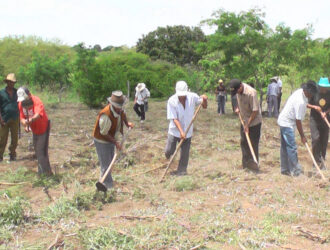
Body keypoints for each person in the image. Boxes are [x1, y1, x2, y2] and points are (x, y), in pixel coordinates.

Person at [165, 81, 207, 175]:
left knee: (185, 153)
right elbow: (174, 118)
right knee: (169, 150)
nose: (182, 97)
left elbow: (204, 106)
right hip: (174, 131)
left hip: (188, 131)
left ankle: (182, 171)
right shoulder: (171, 101)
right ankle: (167, 156)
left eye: (183, 95)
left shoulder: (193, 97)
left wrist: (204, 99)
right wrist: (181, 131)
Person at [93, 91, 133, 189]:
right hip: (102, 140)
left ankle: (104, 182)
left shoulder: (120, 110)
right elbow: (103, 133)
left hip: (111, 139)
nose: (120, 108)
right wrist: (115, 142)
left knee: (109, 162)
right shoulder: (105, 115)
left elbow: (123, 115)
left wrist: (127, 124)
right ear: (112, 104)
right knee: (106, 164)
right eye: (118, 106)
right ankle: (107, 186)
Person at [277, 82, 317, 176]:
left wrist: (314, 107)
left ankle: (285, 169)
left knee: (285, 146)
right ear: (307, 91)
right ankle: (296, 171)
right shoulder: (300, 101)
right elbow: (298, 121)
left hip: (284, 120)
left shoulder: (300, 92)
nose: (312, 95)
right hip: (287, 123)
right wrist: (302, 136)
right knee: (292, 147)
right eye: (311, 93)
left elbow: (305, 105)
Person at [17, 87, 53, 175]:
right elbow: (21, 117)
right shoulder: (21, 104)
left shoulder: (36, 101)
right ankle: (47, 171)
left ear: (29, 95)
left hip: (43, 127)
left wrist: (31, 120)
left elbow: (38, 114)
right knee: (38, 150)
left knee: (41, 150)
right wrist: (25, 125)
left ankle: (42, 173)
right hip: (35, 130)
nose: (23, 101)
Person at [230, 79, 262, 171]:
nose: (237, 93)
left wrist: (248, 124)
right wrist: (236, 108)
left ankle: (254, 165)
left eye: (237, 91)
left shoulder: (251, 93)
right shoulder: (237, 91)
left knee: (253, 143)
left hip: (254, 122)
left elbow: (255, 111)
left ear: (241, 86)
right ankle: (246, 165)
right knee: (244, 142)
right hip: (244, 121)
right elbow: (236, 100)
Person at [307, 78, 330, 169]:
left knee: (324, 141)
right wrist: (315, 107)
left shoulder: (329, 94)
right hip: (314, 119)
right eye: (322, 87)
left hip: (325, 119)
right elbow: (306, 104)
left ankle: (322, 161)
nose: (323, 89)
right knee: (316, 139)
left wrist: (326, 112)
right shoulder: (314, 93)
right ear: (319, 86)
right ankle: (316, 161)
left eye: (325, 87)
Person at [0, 73, 19, 161]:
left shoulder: (17, 92)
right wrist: (1, 119)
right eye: (10, 82)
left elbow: (20, 104)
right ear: (7, 82)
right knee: (2, 139)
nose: (11, 84)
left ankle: (12, 154)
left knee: (15, 139)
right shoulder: (1, 93)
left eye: (13, 82)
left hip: (15, 118)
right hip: (4, 118)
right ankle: (0, 156)